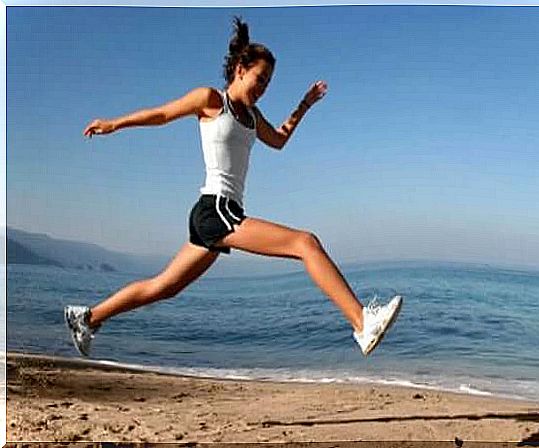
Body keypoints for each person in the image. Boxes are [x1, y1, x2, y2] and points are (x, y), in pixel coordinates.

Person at [64, 17, 402, 358]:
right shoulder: (211, 99)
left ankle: (88, 318)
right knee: (305, 242)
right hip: (215, 208)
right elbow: (162, 114)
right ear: (240, 69)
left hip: (220, 213)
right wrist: (113, 124)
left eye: (268, 83)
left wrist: (304, 105)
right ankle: (362, 322)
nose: (263, 87)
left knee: (163, 286)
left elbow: (280, 139)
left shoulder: (253, 117)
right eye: (260, 78)